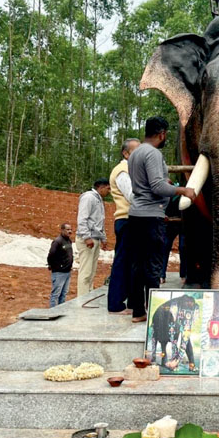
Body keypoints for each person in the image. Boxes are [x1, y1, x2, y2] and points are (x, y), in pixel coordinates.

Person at [127, 117, 196, 323]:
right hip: (151, 216)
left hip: (135, 214)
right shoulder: (153, 153)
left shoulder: (135, 153)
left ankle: (138, 311)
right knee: (154, 266)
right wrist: (183, 189)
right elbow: (157, 186)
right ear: (162, 134)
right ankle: (157, 315)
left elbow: (148, 183)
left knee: (138, 265)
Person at [106, 138, 140, 314]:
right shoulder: (122, 171)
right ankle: (115, 304)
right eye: (136, 150)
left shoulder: (133, 169)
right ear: (125, 154)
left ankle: (130, 301)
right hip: (127, 220)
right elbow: (133, 196)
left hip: (132, 220)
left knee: (132, 263)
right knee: (122, 262)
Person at [75, 179, 110, 298]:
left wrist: (103, 238)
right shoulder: (88, 198)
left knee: (91, 272)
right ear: (101, 187)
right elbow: (82, 219)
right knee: (85, 272)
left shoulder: (99, 200)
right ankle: (82, 299)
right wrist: (86, 237)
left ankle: (88, 297)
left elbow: (98, 221)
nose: (109, 191)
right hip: (88, 239)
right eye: (108, 188)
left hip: (95, 239)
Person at [46, 223, 74, 307]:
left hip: (67, 272)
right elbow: (51, 255)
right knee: (56, 294)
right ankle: (53, 313)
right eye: (67, 229)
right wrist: (53, 266)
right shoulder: (57, 241)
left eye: (70, 229)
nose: (70, 231)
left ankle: (61, 311)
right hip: (59, 273)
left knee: (64, 293)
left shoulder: (69, 241)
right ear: (62, 230)